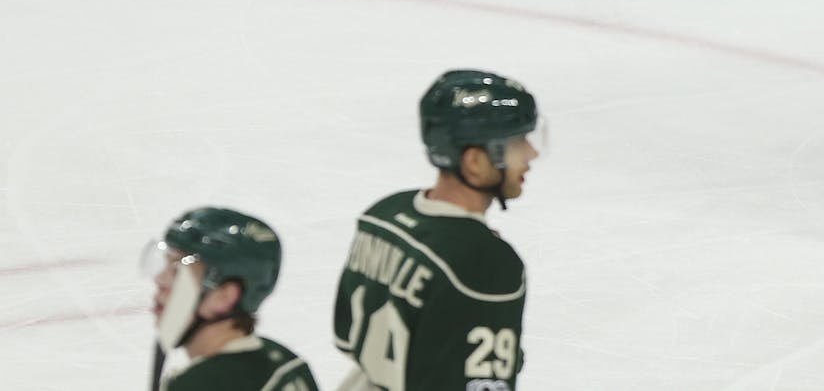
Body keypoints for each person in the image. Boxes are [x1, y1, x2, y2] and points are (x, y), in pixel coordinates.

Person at [333, 69, 541, 390]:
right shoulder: (485, 264)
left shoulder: (384, 213)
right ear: (474, 161)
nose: (531, 154)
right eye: (517, 143)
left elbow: (347, 336)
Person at [145, 206, 319, 391]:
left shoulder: (195, 385)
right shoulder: (285, 360)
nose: (160, 280)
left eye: (179, 271)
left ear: (224, 296)